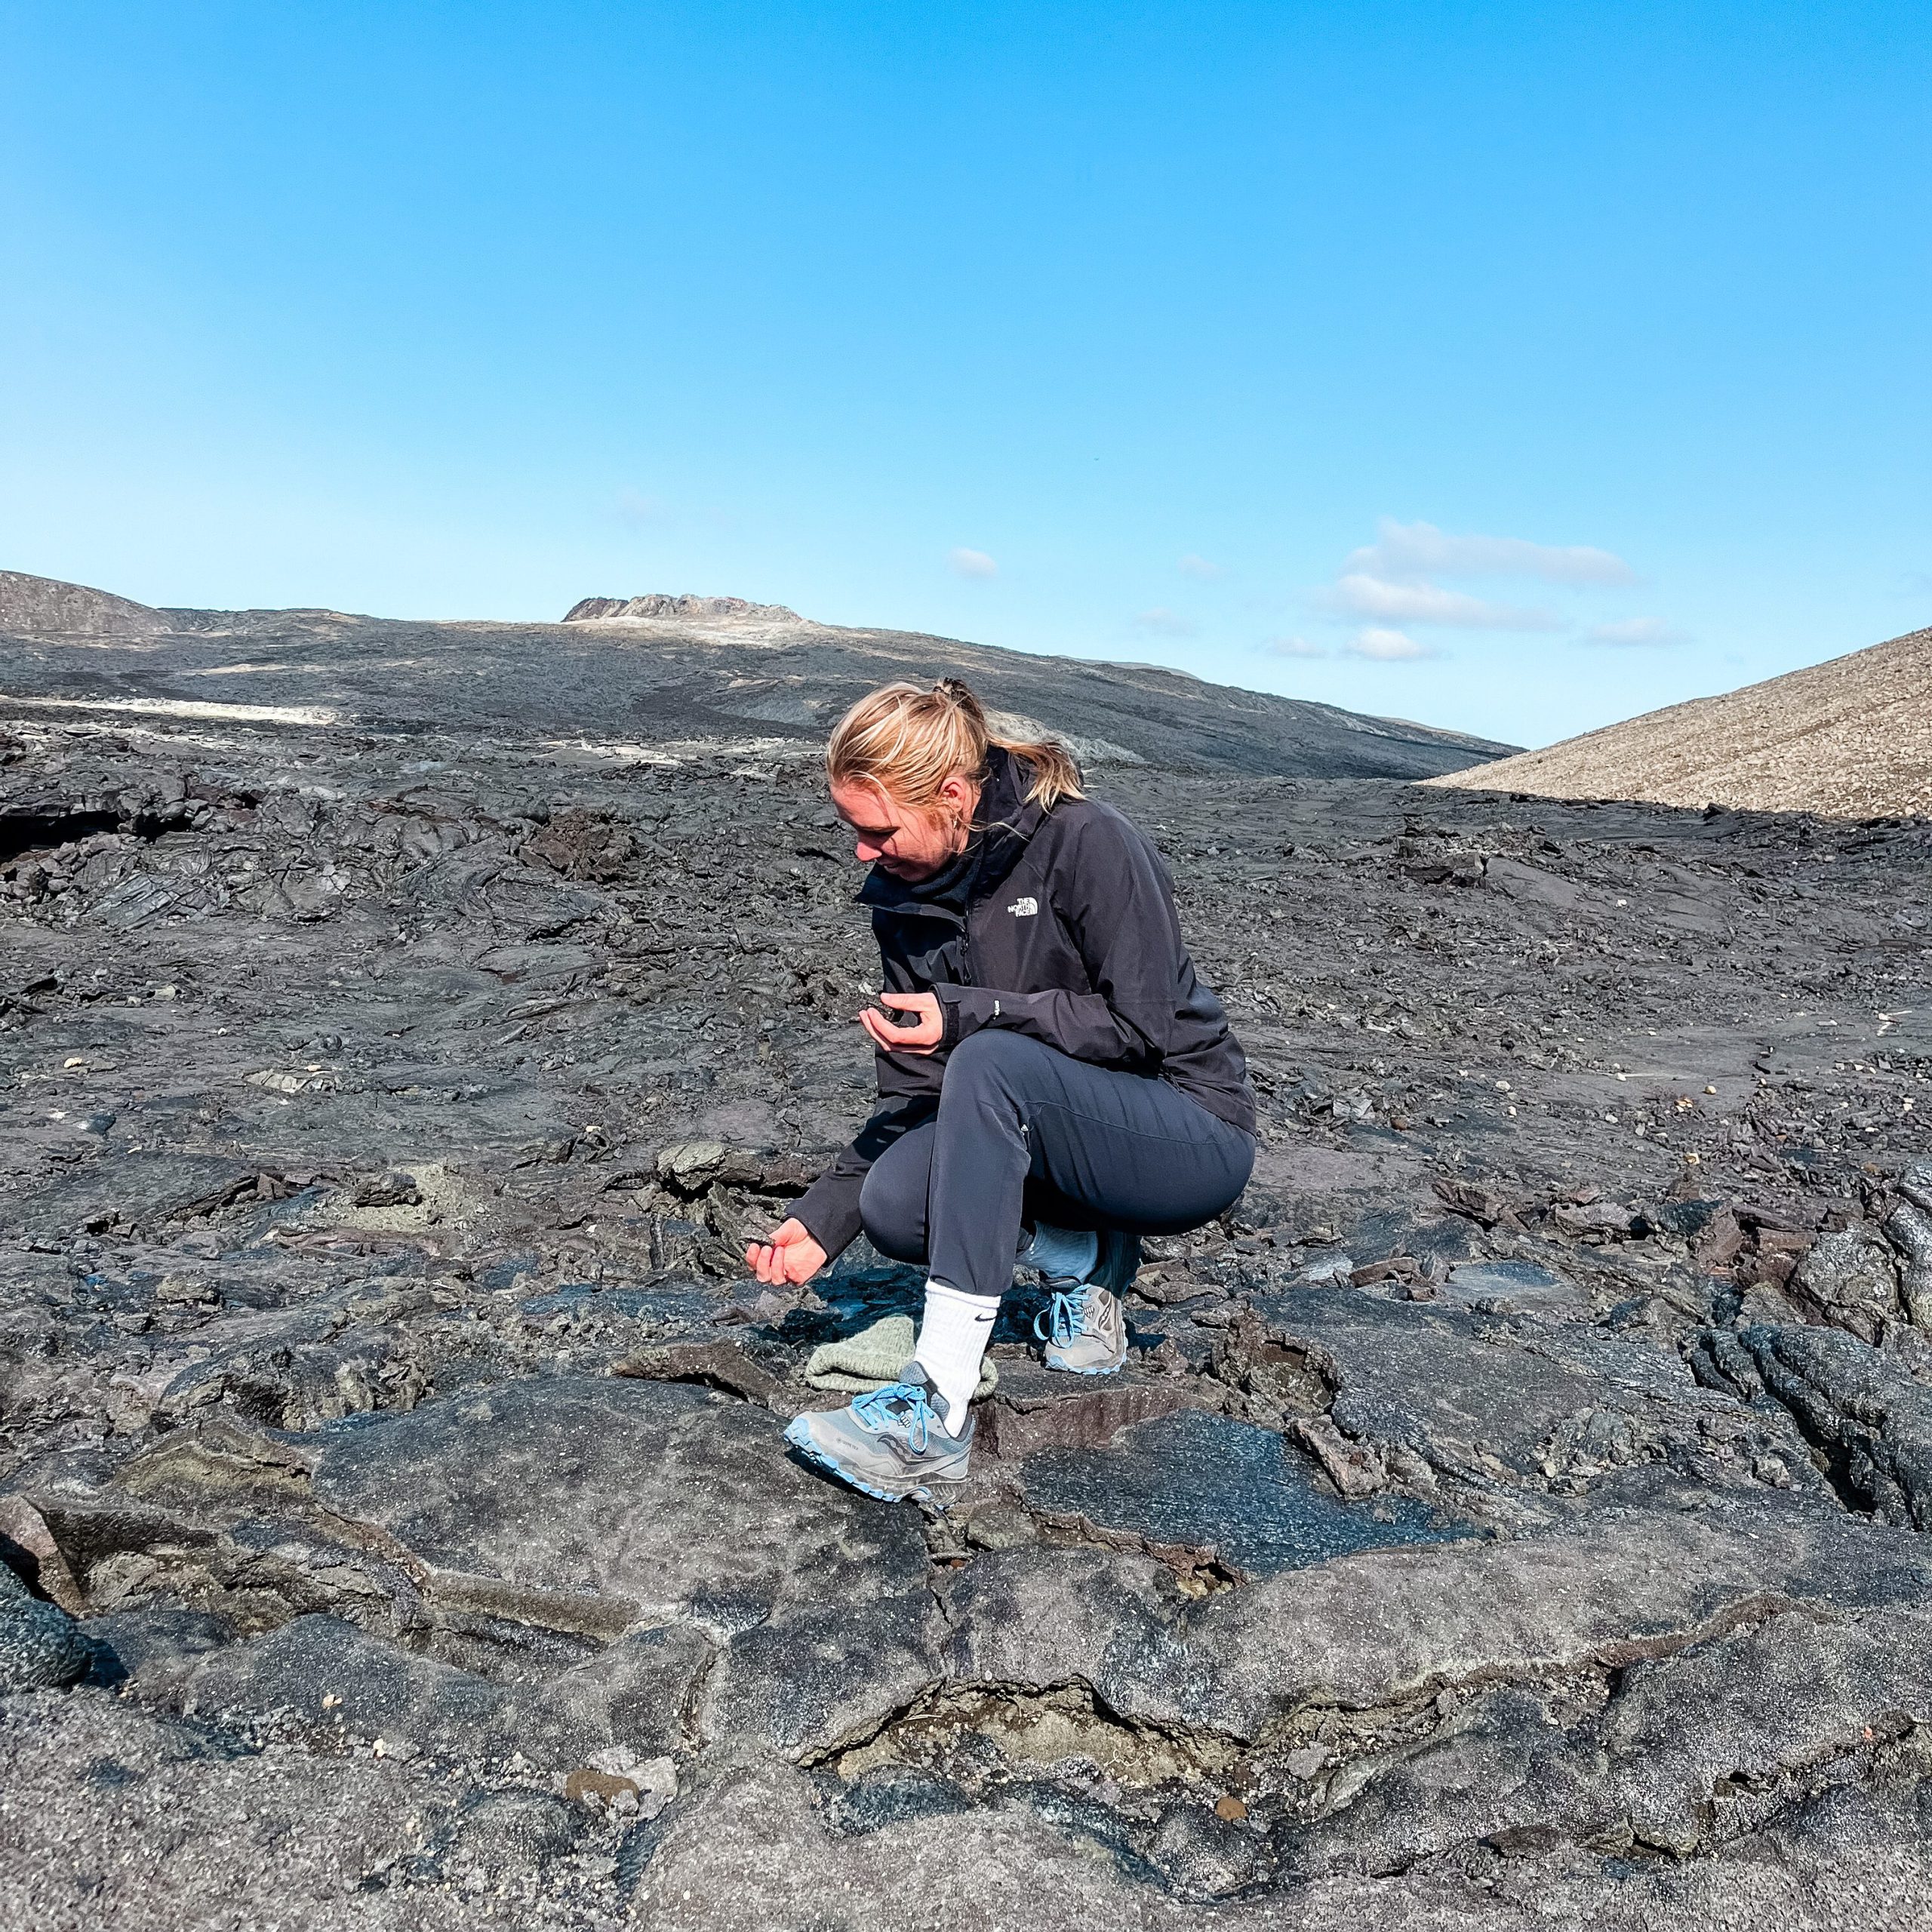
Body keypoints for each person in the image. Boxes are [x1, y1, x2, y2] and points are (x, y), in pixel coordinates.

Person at [746, 677, 1255, 1501]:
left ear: (950, 795)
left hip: (1187, 1130)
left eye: (876, 831)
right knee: (894, 1201)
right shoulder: (905, 903)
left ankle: (932, 1408)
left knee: (988, 1059)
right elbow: (918, 1094)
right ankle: (1086, 1258)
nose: (861, 853)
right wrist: (822, 1218)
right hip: (1051, 1135)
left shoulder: (1089, 840)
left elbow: (1142, 1028)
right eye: (852, 831)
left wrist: (972, 1014)